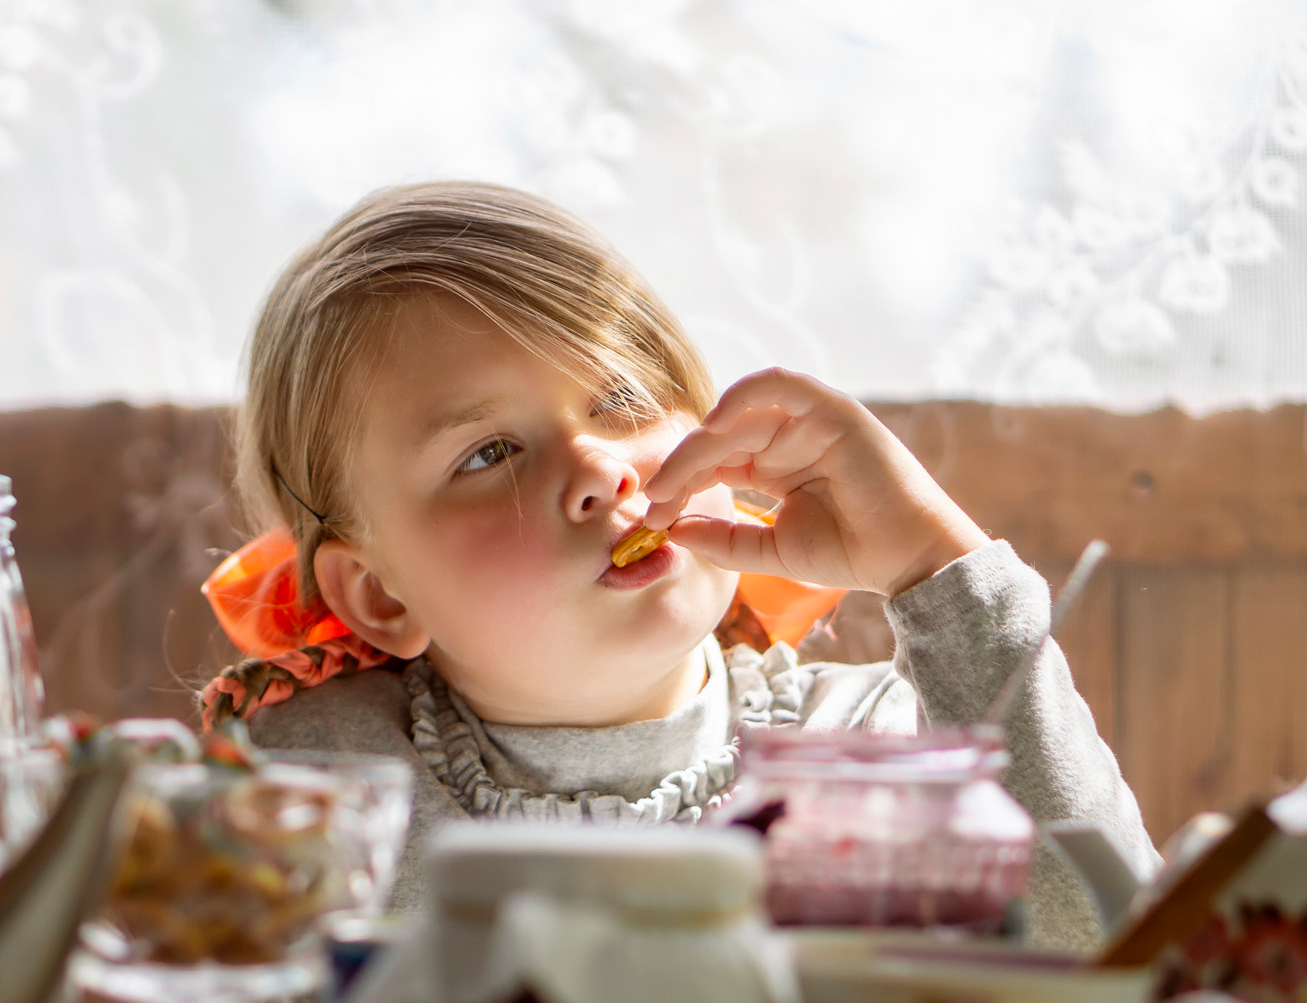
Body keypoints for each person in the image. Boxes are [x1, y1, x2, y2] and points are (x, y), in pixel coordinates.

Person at [198, 181, 1154, 951]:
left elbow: (1114, 952)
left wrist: (931, 561)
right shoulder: (323, 787)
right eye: (488, 453)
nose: (599, 470)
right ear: (377, 592)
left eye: (620, 399)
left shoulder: (871, 745)